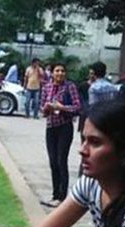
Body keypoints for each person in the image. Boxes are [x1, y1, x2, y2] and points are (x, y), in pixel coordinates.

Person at [39, 63, 81, 208]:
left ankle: (62, 197)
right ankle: (55, 194)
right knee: (52, 162)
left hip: (64, 126)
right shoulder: (46, 87)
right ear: (52, 73)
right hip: (51, 127)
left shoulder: (70, 87)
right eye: (57, 71)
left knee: (61, 160)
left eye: (62, 71)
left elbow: (77, 107)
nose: (60, 73)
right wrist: (46, 108)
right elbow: (42, 108)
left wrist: (61, 107)